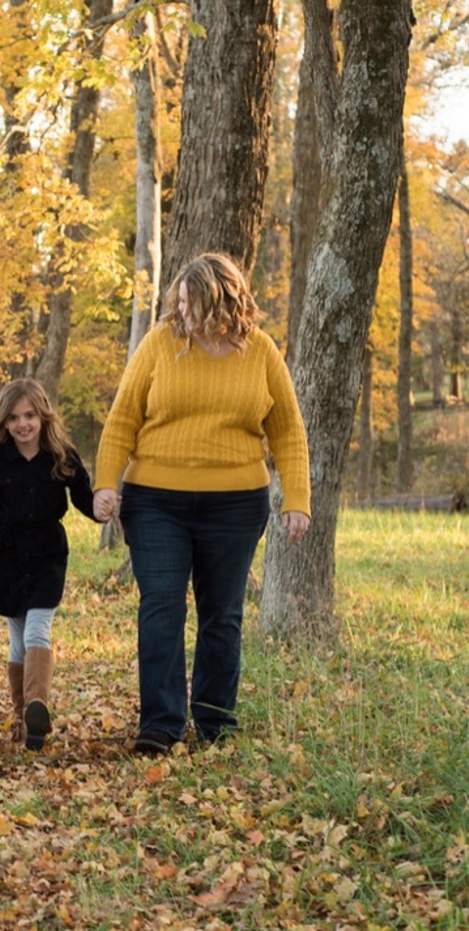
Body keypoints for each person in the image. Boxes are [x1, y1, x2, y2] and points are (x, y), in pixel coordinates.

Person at [93, 252, 311, 755]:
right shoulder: (160, 344)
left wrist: (296, 498)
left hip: (236, 505)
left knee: (222, 613)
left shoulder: (260, 352)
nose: (182, 311)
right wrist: (107, 483)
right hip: (155, 503)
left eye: (191, 303)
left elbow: (288, 431)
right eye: (180, 302)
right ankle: (161, 724)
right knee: (162, 606)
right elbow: (122, 418)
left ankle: (214, 721)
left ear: (220, 300)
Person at [0, 378, 102, 750]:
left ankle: (37, 704)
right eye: (14, 418)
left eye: (30, 416)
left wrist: (102, 509)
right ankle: (25, 721)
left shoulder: (61, 457)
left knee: (38, 630)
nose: (23, 424)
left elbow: (85, 498)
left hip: (47, 553)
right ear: (4, 422)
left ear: (43, 417)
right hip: (7, 554)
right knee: (18, 641)